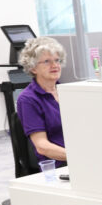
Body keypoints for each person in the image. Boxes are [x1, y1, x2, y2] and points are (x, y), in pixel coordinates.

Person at [16, 36, 68, 168]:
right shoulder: (28, 99)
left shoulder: (68, 91)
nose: (55, 65)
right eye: (47, 62)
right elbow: (42, 147)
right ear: (33, 68)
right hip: (59, 165)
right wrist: (78, 156)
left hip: (80, 157)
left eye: (57, 60)